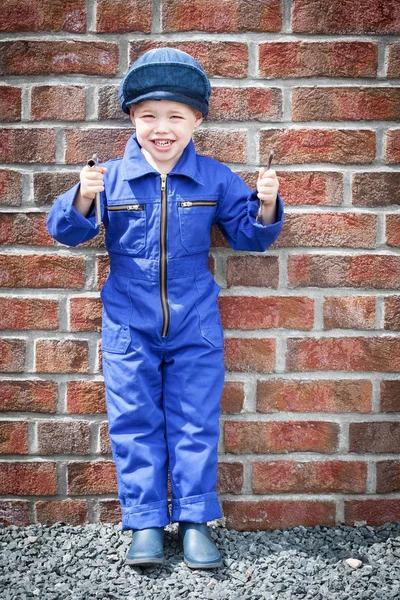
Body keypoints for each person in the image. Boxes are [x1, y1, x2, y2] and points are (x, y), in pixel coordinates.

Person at [47, 48, 284, 569]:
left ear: (197, 119)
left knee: (195, 420)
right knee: (133, 420)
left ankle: (196, 520)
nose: (162, 127)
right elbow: (65, 231)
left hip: (195, 324)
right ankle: (146, 523)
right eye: (149, 115)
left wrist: (265, 203)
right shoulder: (108, 177)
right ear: (132, 118)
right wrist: (83, 199)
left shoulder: (214, 177)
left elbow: (249, 235)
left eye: (176, 116)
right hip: (128, 326)